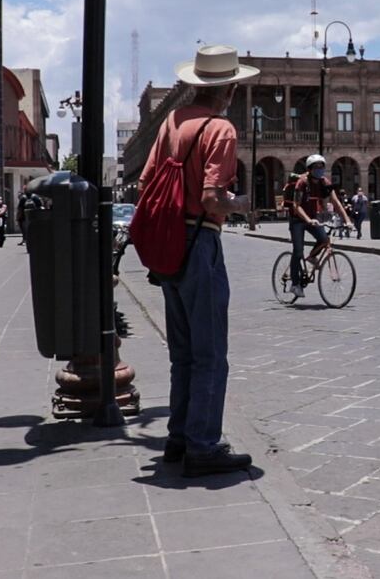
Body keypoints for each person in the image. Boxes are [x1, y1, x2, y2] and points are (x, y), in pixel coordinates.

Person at [138, 44, 256, 477]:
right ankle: (203, 445)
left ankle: (178, 436)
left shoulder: (172, 121)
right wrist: (242, 203)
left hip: (169, 243)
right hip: (200, 242)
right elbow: (212, 198)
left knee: (183, 352)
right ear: (227, 88)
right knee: (210, 353)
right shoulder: (220, 129)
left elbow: (148, 180)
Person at [288, 154, 352, 298]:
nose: (320, 170)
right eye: (316, 167)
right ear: (310, 169)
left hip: (313, 218)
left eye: (322, 167)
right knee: (298, 251)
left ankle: (312, 257)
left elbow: (336, 202)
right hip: (297, 219)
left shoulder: (325, 182)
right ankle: (295, 284)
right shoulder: (302, 182)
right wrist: (307, 220)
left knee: (324, 239)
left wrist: (347, 220)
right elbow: (296, 206)